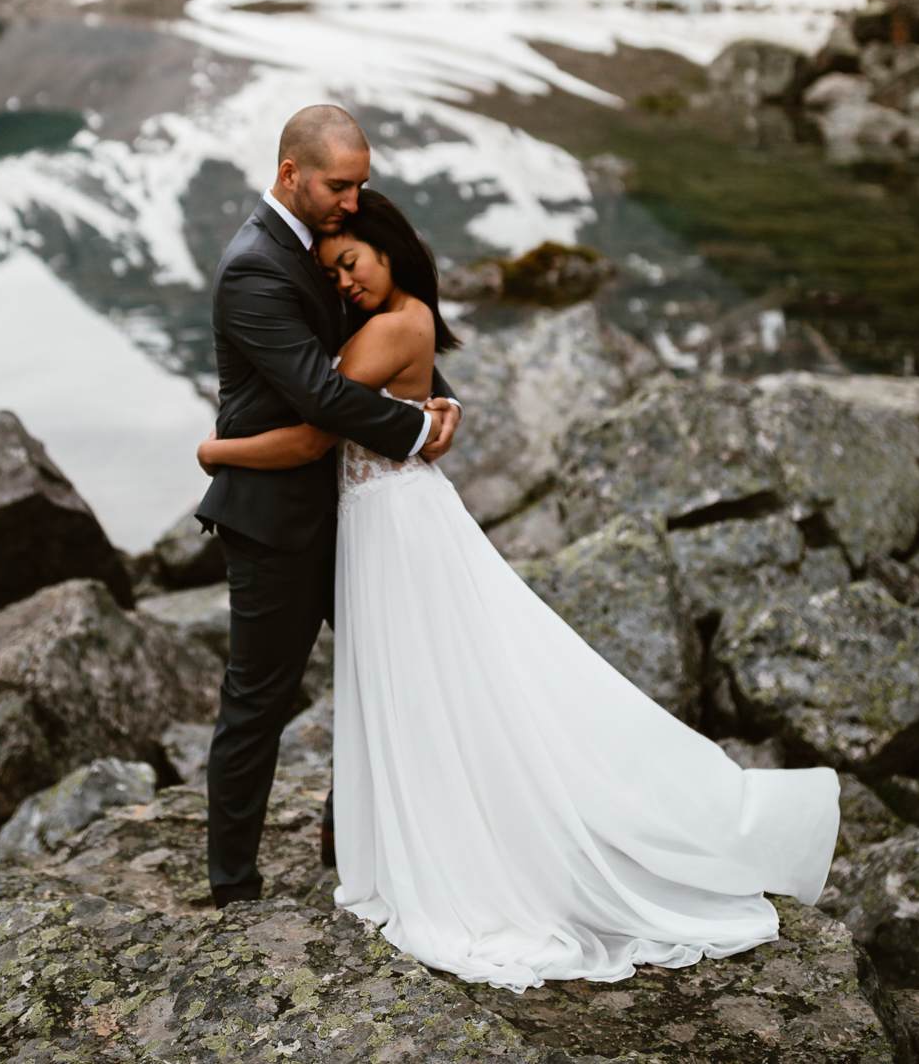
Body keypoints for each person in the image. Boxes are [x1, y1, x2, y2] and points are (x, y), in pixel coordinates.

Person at [198, 186, 843, 992]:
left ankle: (384, 848)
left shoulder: (388, 321)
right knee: (405, 682)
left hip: (387, 525)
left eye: (351, 263)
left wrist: (214, 453)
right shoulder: (361, 303)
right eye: (334, 272)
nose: (343, 283)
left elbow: (317, 421)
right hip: (377, 518)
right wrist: (428, 413)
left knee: (410, 682)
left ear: (389, 250)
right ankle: (354, 840)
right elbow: (380, 392)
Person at [196, 104, 462, 909]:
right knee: (258, 703)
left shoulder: (317, 248)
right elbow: (318, 395)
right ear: (290, 174)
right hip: (277, 523)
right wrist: (418, 429)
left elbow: (380, 327)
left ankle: (351, 838)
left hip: (355, 516)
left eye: (360, 185)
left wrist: (438, 397)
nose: (352, 198)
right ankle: (232, 887)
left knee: (387, 676)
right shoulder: (255, 267)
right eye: (339, 184)